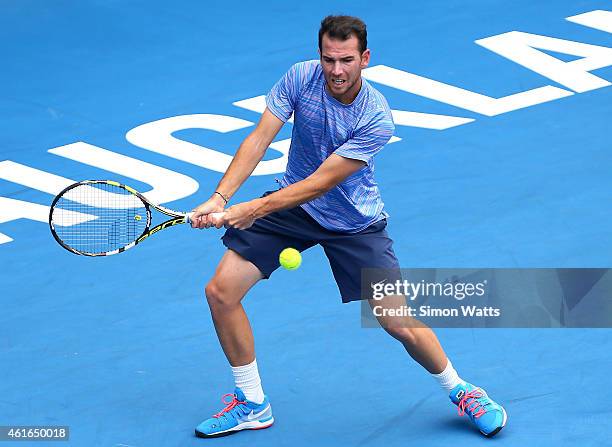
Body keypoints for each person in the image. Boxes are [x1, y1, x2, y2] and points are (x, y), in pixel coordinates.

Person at [190, 15, 507, 439]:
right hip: (292, 208)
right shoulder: (301, 77)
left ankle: (462, 390)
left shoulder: (376, 116)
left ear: (365, 58)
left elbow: (322, 182)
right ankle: (251, 402)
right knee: (220, 292)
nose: (336, 71)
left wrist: (254, 209)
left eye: (346, 60)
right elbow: (259, 139)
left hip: (353, 223)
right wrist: (221, 198)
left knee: (396, 321)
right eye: (328, 59)